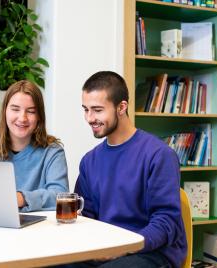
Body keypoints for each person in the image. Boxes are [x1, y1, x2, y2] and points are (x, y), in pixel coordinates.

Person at [73, 71, 187, 267]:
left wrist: (121, 247)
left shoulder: (159, 155)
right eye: (86, 109)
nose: (89, 118)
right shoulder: (89, 161)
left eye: (97, 110)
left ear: (121, 107)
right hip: (106, 249)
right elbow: (86, 215)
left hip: (152, 252)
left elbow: (166, 222)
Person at [0, 80, 69, 212]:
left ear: (39, 116)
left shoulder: (52, 151)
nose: (22, 118)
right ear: (5, 111)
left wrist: (22, 198)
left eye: (31, 111)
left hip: (39, 229)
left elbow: (61, 197)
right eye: (15, 109)